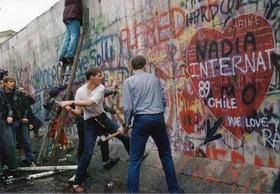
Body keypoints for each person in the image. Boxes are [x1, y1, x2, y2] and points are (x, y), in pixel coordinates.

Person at [56, 67, 129, 192]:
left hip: (102, 119)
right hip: (89, 123)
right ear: (92, 77)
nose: (102, 77)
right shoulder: (80, 91)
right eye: (99, 75)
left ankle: (135, 156)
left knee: (124, 136)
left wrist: (69, 101)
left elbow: (89, 103)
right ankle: (76, 183)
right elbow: (79, 112)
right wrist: (69, 109)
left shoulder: (100, 88)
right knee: (87, 153)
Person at [122, 55, 184, 193]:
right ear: (145, 66)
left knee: (134, 161)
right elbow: (163, 101)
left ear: (132, 68)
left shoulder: (128, 82)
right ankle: (174, 191)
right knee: (166, 155)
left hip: (141, 121)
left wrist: (125, 125)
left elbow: (127, 108)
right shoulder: (155, 80)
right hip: (157, 119)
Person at [1, 76, 36, 167]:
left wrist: (26, 118)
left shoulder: (18, 92)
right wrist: (6, 118)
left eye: (14, 81)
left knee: (26, 142)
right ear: (5, 83)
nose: (13, 83)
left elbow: (27, 105)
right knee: (10, 144)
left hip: (21, 121)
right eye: (10, 81)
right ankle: (10, 163)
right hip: (10, 122)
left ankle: (30, 161)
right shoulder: (2, 94)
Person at [59, 0, 83, 65]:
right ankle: (69, 55)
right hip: (74, 14)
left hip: (66, 15)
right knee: (74, 35)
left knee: (67, 37)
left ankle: (62, 55)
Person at [0, 86, 17, 176]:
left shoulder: (1, 92)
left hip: (3, 121)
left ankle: (13, 168)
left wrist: (9, 115)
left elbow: (8, 105)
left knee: (9, 145)